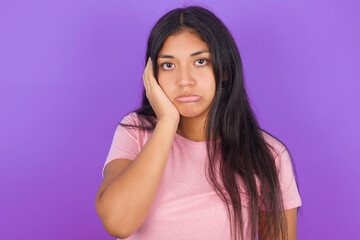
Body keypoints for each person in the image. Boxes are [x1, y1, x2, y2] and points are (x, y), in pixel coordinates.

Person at [95, 5, 302, 240]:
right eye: (168, 65)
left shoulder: (268, 155)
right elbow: (118, 223)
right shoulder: (135, 131)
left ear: (224, 70)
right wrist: (167, 123)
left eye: (200, 61)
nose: (185, 80)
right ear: (152, 76)